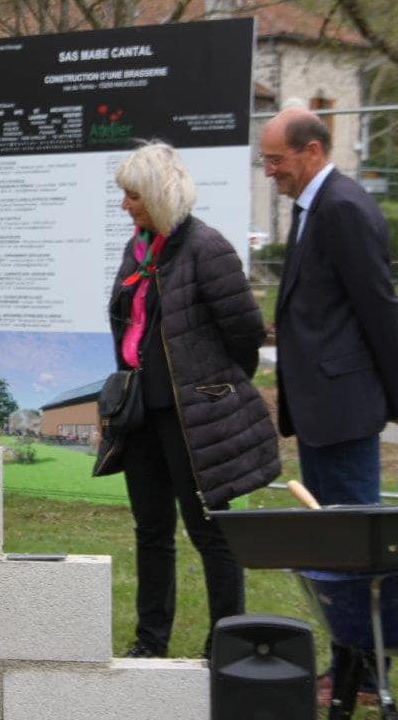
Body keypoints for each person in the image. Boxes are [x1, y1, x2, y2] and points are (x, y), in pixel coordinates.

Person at [94, 141, 279, 658]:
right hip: (140, 418)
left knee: (210, 532)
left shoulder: (207, 247)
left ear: (157, 194)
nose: (125, 205)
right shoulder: (139, 250)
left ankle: (226, 645)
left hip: (194, 419)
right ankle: (150, 645)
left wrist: (212, 390)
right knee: (151, 531)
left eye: (132, 195)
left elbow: (245, 334)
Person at [260, 107, 398, 706]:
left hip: (344, 411)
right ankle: (350, 667)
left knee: (350, 546)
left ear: (312, 151)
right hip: (324, 409)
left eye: (277, 160)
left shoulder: (342, 208)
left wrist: (390, 400)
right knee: (332, 545)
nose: (270, 172)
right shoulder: (316, 206)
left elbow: (378, 307)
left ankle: (364, 674)